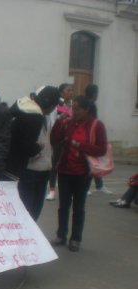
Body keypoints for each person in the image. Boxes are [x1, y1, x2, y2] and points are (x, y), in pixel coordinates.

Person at [50, 95, 107, 252]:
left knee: (79, 207)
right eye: (72, 109)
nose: (73, 112)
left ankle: (75, 238)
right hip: (65, 170)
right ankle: (61, 235)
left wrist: (80, 145)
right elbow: (55, 139)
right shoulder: (68, 123)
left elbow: (101, 149)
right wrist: (58, 122)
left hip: (83, 173)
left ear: (86, 110)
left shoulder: (97, 125)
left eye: (77, 110)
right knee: (63, 206)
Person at [6, 86, 60, 221]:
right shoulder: (31, 116)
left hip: (43, 171)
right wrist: (37, 149)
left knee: (34, 211)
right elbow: (24, 145)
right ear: (51, 104)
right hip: (29, 171)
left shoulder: (43, 116)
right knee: (26, 212)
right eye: (54, 105)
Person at [46, 82, 75, 201]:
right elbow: (52, 121)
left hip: (71, 139)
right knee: (55, 164)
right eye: (68, 90)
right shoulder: (57, 105)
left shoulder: (73, 105)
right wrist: (60, 119)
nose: (71, 92)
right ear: (61, 92)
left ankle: (69, 190)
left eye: (72, 90)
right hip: (58, 139)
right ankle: (52, 189)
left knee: (69, 165)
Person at [85, 84, 112, 195]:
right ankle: (91, 186)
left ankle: (99, 185)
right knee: (91, 163)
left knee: (94, 163)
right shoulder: (91, 105)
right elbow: (94, 122)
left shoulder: (86, 103)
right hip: (91, 137)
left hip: (87, 135)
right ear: (94, 94)